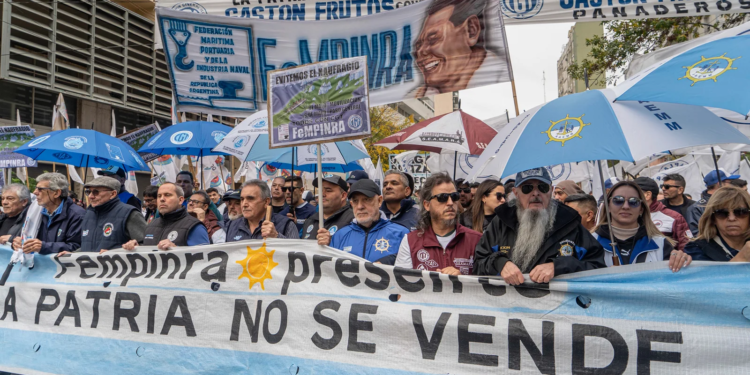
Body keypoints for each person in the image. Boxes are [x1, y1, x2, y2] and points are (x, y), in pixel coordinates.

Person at [473, 167, 606, 284]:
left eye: (542, 187)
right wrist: (500, 263)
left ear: (551, 190)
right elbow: (478, 264)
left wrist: (559, 266)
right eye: (527, 188)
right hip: (507, 308)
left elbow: (597, 267)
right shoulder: (501, 222)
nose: (536, 193)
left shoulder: (569, 223)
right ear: (516, 193)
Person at [395, 173, 482, 275]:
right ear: (427, 205)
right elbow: (402, 287)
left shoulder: (477, 240)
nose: (450, 202)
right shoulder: (410, 241)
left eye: (454, 196)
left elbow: (486, 286)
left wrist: (461, 280)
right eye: (442, 197)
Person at [593, 181, 690, 271]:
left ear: (641, 209)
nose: (626, 206)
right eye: (618, 200)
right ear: (608, 206)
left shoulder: (660, 244)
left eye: (633, 201)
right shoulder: (591, 242)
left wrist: (682, 260)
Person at [412, 0, 500, 97]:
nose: (420, 51)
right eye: (418, 46)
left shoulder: (499, 83)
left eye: (433, 39)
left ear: (471, 30)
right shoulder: (414, 96)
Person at [318, 179, 409, 264]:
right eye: (356, 201)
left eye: (367, 199)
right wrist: (324, 248)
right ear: (351, 204)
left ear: (379, 201)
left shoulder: (400, 233)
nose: (360, 206)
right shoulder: (340, 236)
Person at [12, 173, 84, 255]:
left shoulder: (77, 215)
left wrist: (44, 246)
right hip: (38, 266)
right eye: (36, 188)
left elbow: (77, 247)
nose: (35, 192)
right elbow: (25, 236)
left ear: (56, 193)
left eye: (40, 189)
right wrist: (17, 242)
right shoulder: (34, 211)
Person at [123, 183, 209, 251]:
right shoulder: (151, 225)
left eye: (167, 195)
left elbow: (204, 258)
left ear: (180, 200)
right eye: (159, 196)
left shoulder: (194, 226)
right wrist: (138, 248)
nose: (162, 199)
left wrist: (176, 249)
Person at [78, 176, 146, 253]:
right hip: (90, 265)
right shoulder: (88, 214)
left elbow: (147, 245)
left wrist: (114, 253)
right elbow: (88, 246)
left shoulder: (129, 213)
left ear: (113, 194)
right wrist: (71, 254)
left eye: (96, 192)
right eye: (88, 192)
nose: (90, 196)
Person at [685, 186, 750, 262]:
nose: (731, 218)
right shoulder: (696, 249)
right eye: (722, 213)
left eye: (741, 212)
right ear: (713, 218)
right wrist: (741, 258)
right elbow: (705, 274)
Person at [226, 180, 299, 241]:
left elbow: (297, 254)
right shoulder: (232, 226)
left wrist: (276, 237)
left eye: (250, 199)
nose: (244, 204)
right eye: (242, 199)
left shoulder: (286, 225)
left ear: (266, 202)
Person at [634, 177, 691, 251]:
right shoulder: (626, 216)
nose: (628, 196)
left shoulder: (674, 217)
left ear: (647, 195)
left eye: (633, 193)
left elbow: (687, 248)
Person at [686, 169, 739, 235]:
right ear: (719, 184)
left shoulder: (734, 202)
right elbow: (698, 234)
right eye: (730, 182)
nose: (732, 186)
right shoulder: (697, 208)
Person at [306, 175, 354, 239]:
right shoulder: (310, 220)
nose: (323, 194)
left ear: (343, 196)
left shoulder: (353, 221)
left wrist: (330, 243)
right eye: (321, 190)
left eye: (328, 190)